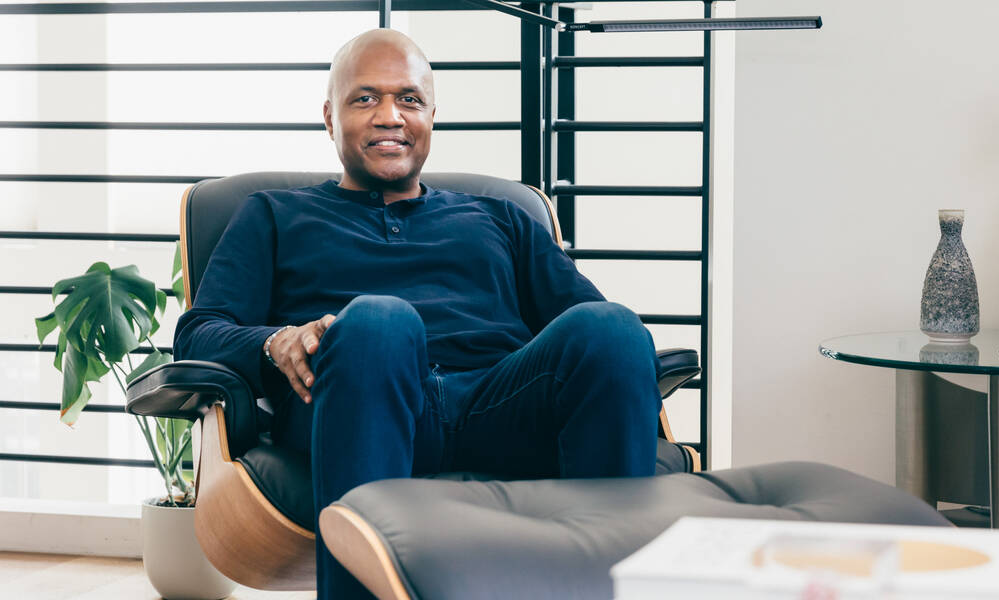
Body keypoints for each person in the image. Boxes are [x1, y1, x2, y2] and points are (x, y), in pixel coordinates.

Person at [173, 29, 662, 600]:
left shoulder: (499, 218)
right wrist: (275, 341)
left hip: (497, 405)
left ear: (431, 116)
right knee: (380, 322)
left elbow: (592, 335)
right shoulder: (273, 216)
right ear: (329, 116)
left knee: (614, 328)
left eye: (408, 99)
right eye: (365, 98)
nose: (390, 116)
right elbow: (199, 333)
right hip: (357, 397)